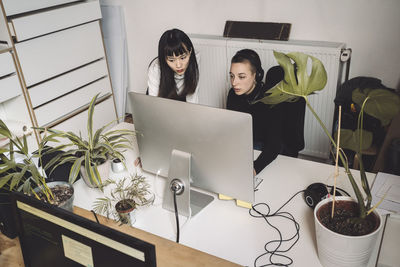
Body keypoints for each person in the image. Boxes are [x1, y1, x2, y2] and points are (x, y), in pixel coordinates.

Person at [226, 49, 284, 175]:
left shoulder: (271, 98)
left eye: (241, 77)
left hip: (264, 151)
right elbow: (233, 130)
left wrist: (254, 168)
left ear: (256, 75)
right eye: (232, 76)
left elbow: (274, 145)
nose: (234, 82)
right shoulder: (232, 94)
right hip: (243, 147)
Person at [147, 28, 199, 103]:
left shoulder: (195, 60)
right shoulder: (155, 68)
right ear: (164, 59)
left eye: (183, 57)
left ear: (190, 52)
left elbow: (193, 99)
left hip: (181, 105)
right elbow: (154, 104)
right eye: (171, 60)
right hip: (160, 103)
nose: (178, 65)